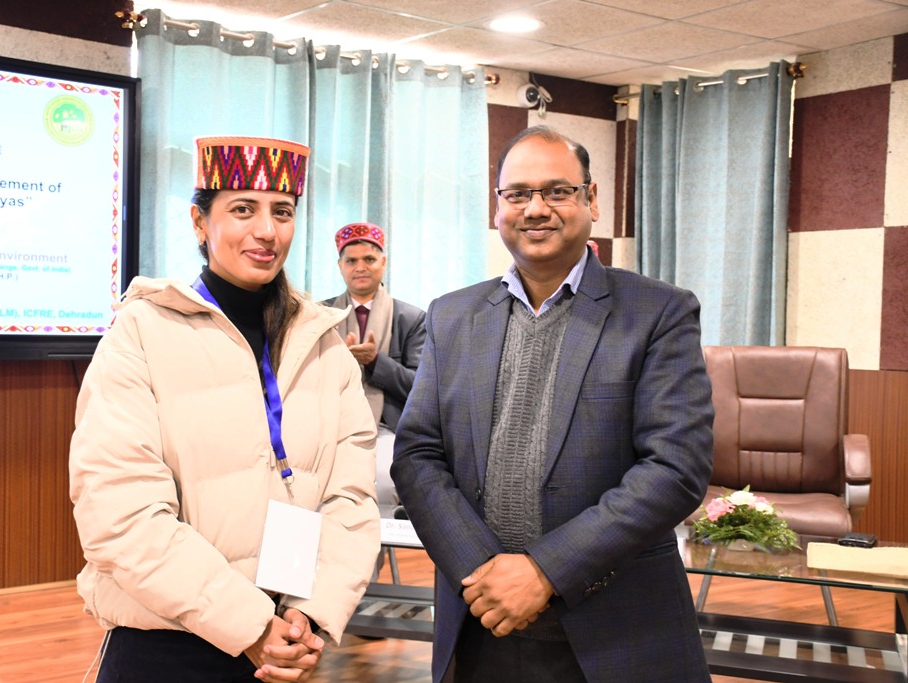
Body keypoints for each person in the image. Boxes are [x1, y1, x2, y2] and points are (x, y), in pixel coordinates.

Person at [391, 125, 714, 682]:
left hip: (617, 632)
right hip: (481, 621)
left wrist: (544, 571)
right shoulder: (451, 315)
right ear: (498, 207)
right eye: (518, 194)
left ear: (592, 200)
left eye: (558, 191)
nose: (536, 208)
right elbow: (417, 453)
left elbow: (675, 468)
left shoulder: (658, 312)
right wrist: (483, 570)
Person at [69, 136, 381, 683]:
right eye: (242, 209)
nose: (266, 231)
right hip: (165, 646)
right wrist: (250, 626)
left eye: (282, 212)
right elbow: (119, 511)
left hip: (287, 643)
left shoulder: (323, 344)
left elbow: (350, 498)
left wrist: (309, 612)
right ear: (199, 222)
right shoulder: (142, 332)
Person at [321, 223, 425, 511]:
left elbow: (419, 388)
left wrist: (376, 361)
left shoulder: (411, 318)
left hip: (384, 427)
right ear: (340, 266)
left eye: (369, 259)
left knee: (382, 485)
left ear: (383, 262)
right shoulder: (321, 314)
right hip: (328, 422)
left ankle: (372, 542)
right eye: (351, 261)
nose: (360, 268)